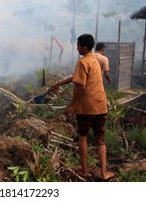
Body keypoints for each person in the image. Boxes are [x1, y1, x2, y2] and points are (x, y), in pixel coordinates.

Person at [51, 34, 114, 181]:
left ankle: (84, 171)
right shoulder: (94, 61)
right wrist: (59, 83)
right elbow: (76, 77)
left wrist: (71, 106)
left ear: (84, 47)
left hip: (87, 107)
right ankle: (105, 173)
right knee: (100, 138)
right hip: (101, 106)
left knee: (83, 136)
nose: (77, 47)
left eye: (78, 45)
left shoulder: (82, 62)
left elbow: (80, 87)